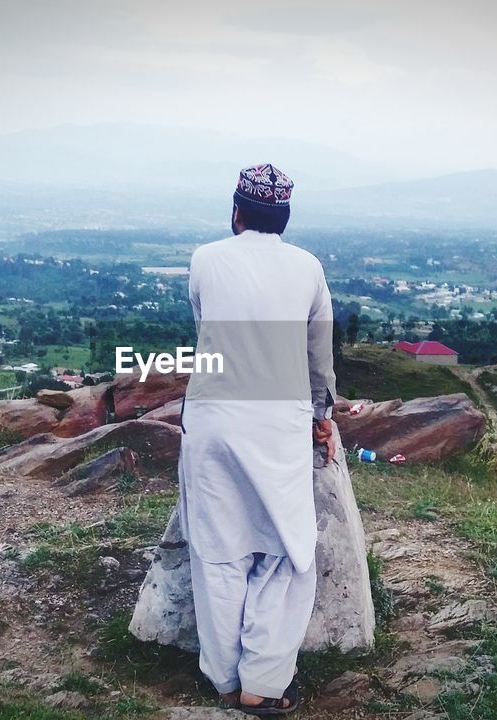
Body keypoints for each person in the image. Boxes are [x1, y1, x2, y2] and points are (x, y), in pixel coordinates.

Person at [176, 163, 337, 715]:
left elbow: (208, 330)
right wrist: (323, 417)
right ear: (285, 217)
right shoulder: (309, 269)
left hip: (212, 420)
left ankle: (222, 679)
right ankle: (262, 683)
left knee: (218, 552)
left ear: (238, 212)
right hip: (278, 424)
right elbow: (319, 358)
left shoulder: (205, 260)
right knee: (287, 552)